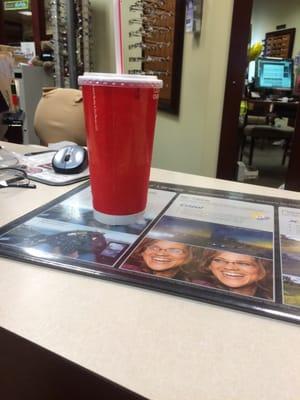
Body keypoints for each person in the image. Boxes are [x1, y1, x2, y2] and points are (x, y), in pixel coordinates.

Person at [193, 249, 273, 299]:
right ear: (209, 265)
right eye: (219, 260)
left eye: (244, 263)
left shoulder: (269, 299)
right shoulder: (198, 289)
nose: (230, 267)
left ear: (263, 269)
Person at [121, 238, 200, 279]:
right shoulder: (125, 270)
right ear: (142, 251)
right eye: (154, 247)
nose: (161, 253)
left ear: (188, 257)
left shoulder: (194, 282)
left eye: (175, 250)